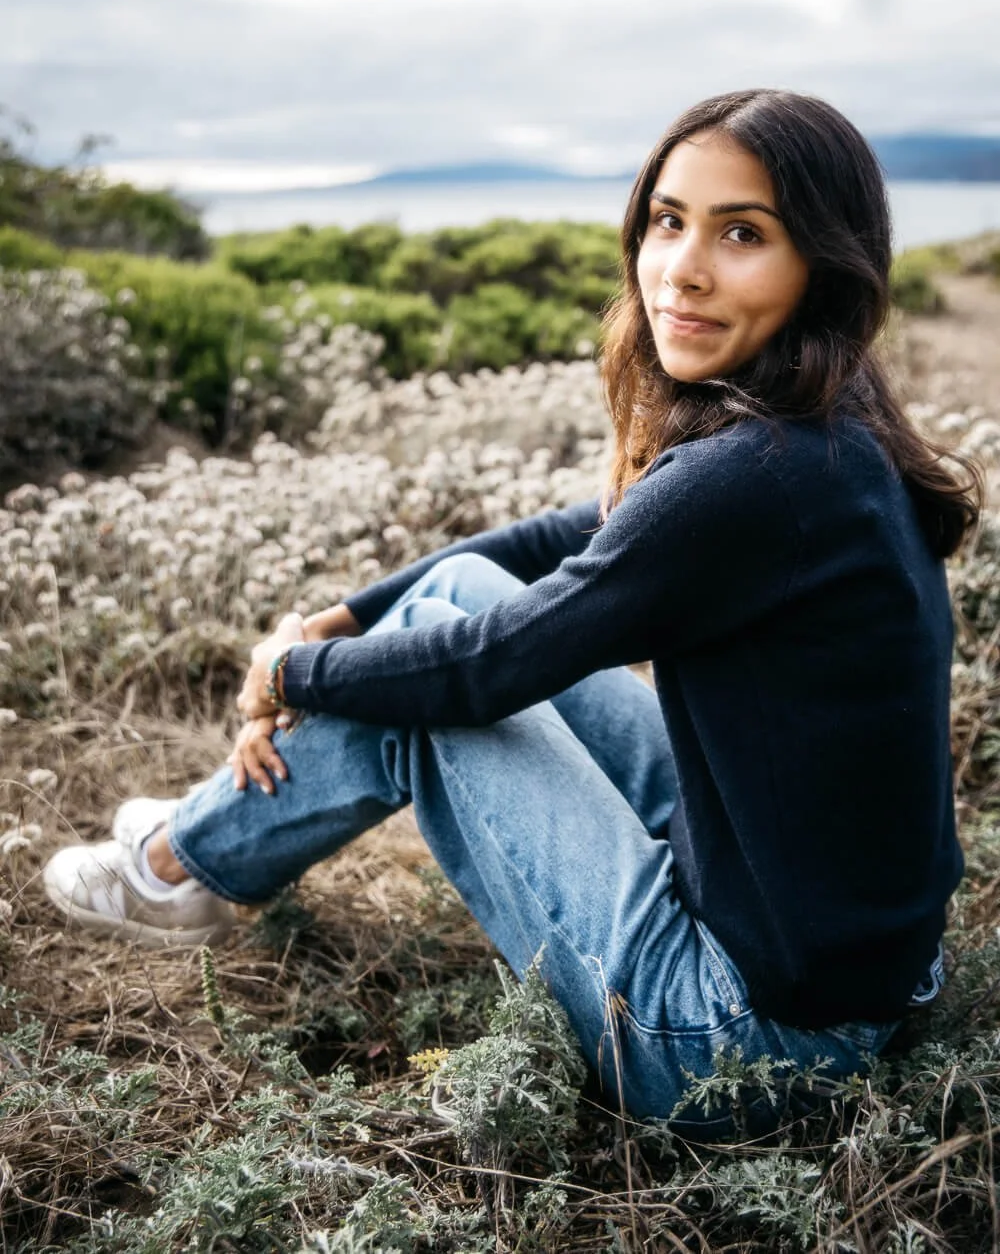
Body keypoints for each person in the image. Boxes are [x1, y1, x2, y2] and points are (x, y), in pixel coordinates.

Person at [43, 89, 981, 1137]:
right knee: (451, 598)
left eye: (744, 234)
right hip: (848, 969)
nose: (683, 267)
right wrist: (341, 619)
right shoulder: (828, 430)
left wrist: (284, 675)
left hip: (743, 1045)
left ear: (827, 262)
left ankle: (179, 866)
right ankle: (200, 841)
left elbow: (484, 673)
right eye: (668, 220)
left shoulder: (757, 477)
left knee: (432, 691)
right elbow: (554, 543)